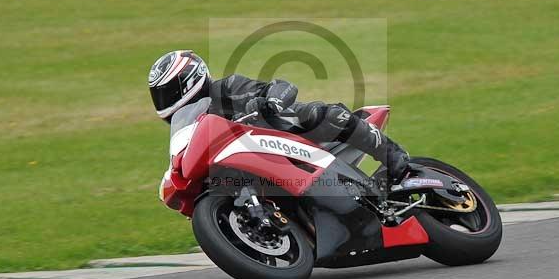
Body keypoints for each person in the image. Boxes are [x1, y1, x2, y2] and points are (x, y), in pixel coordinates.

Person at [148, 50, 410, 182]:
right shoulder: (190, 126)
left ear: (189, 80)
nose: (164, 100)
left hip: (285, 135)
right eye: (159, 95)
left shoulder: (226, 89)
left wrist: (270, 102)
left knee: (318, 115)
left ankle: (392, 153)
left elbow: (283, 87)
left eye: (167, 92)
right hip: (256, 162)